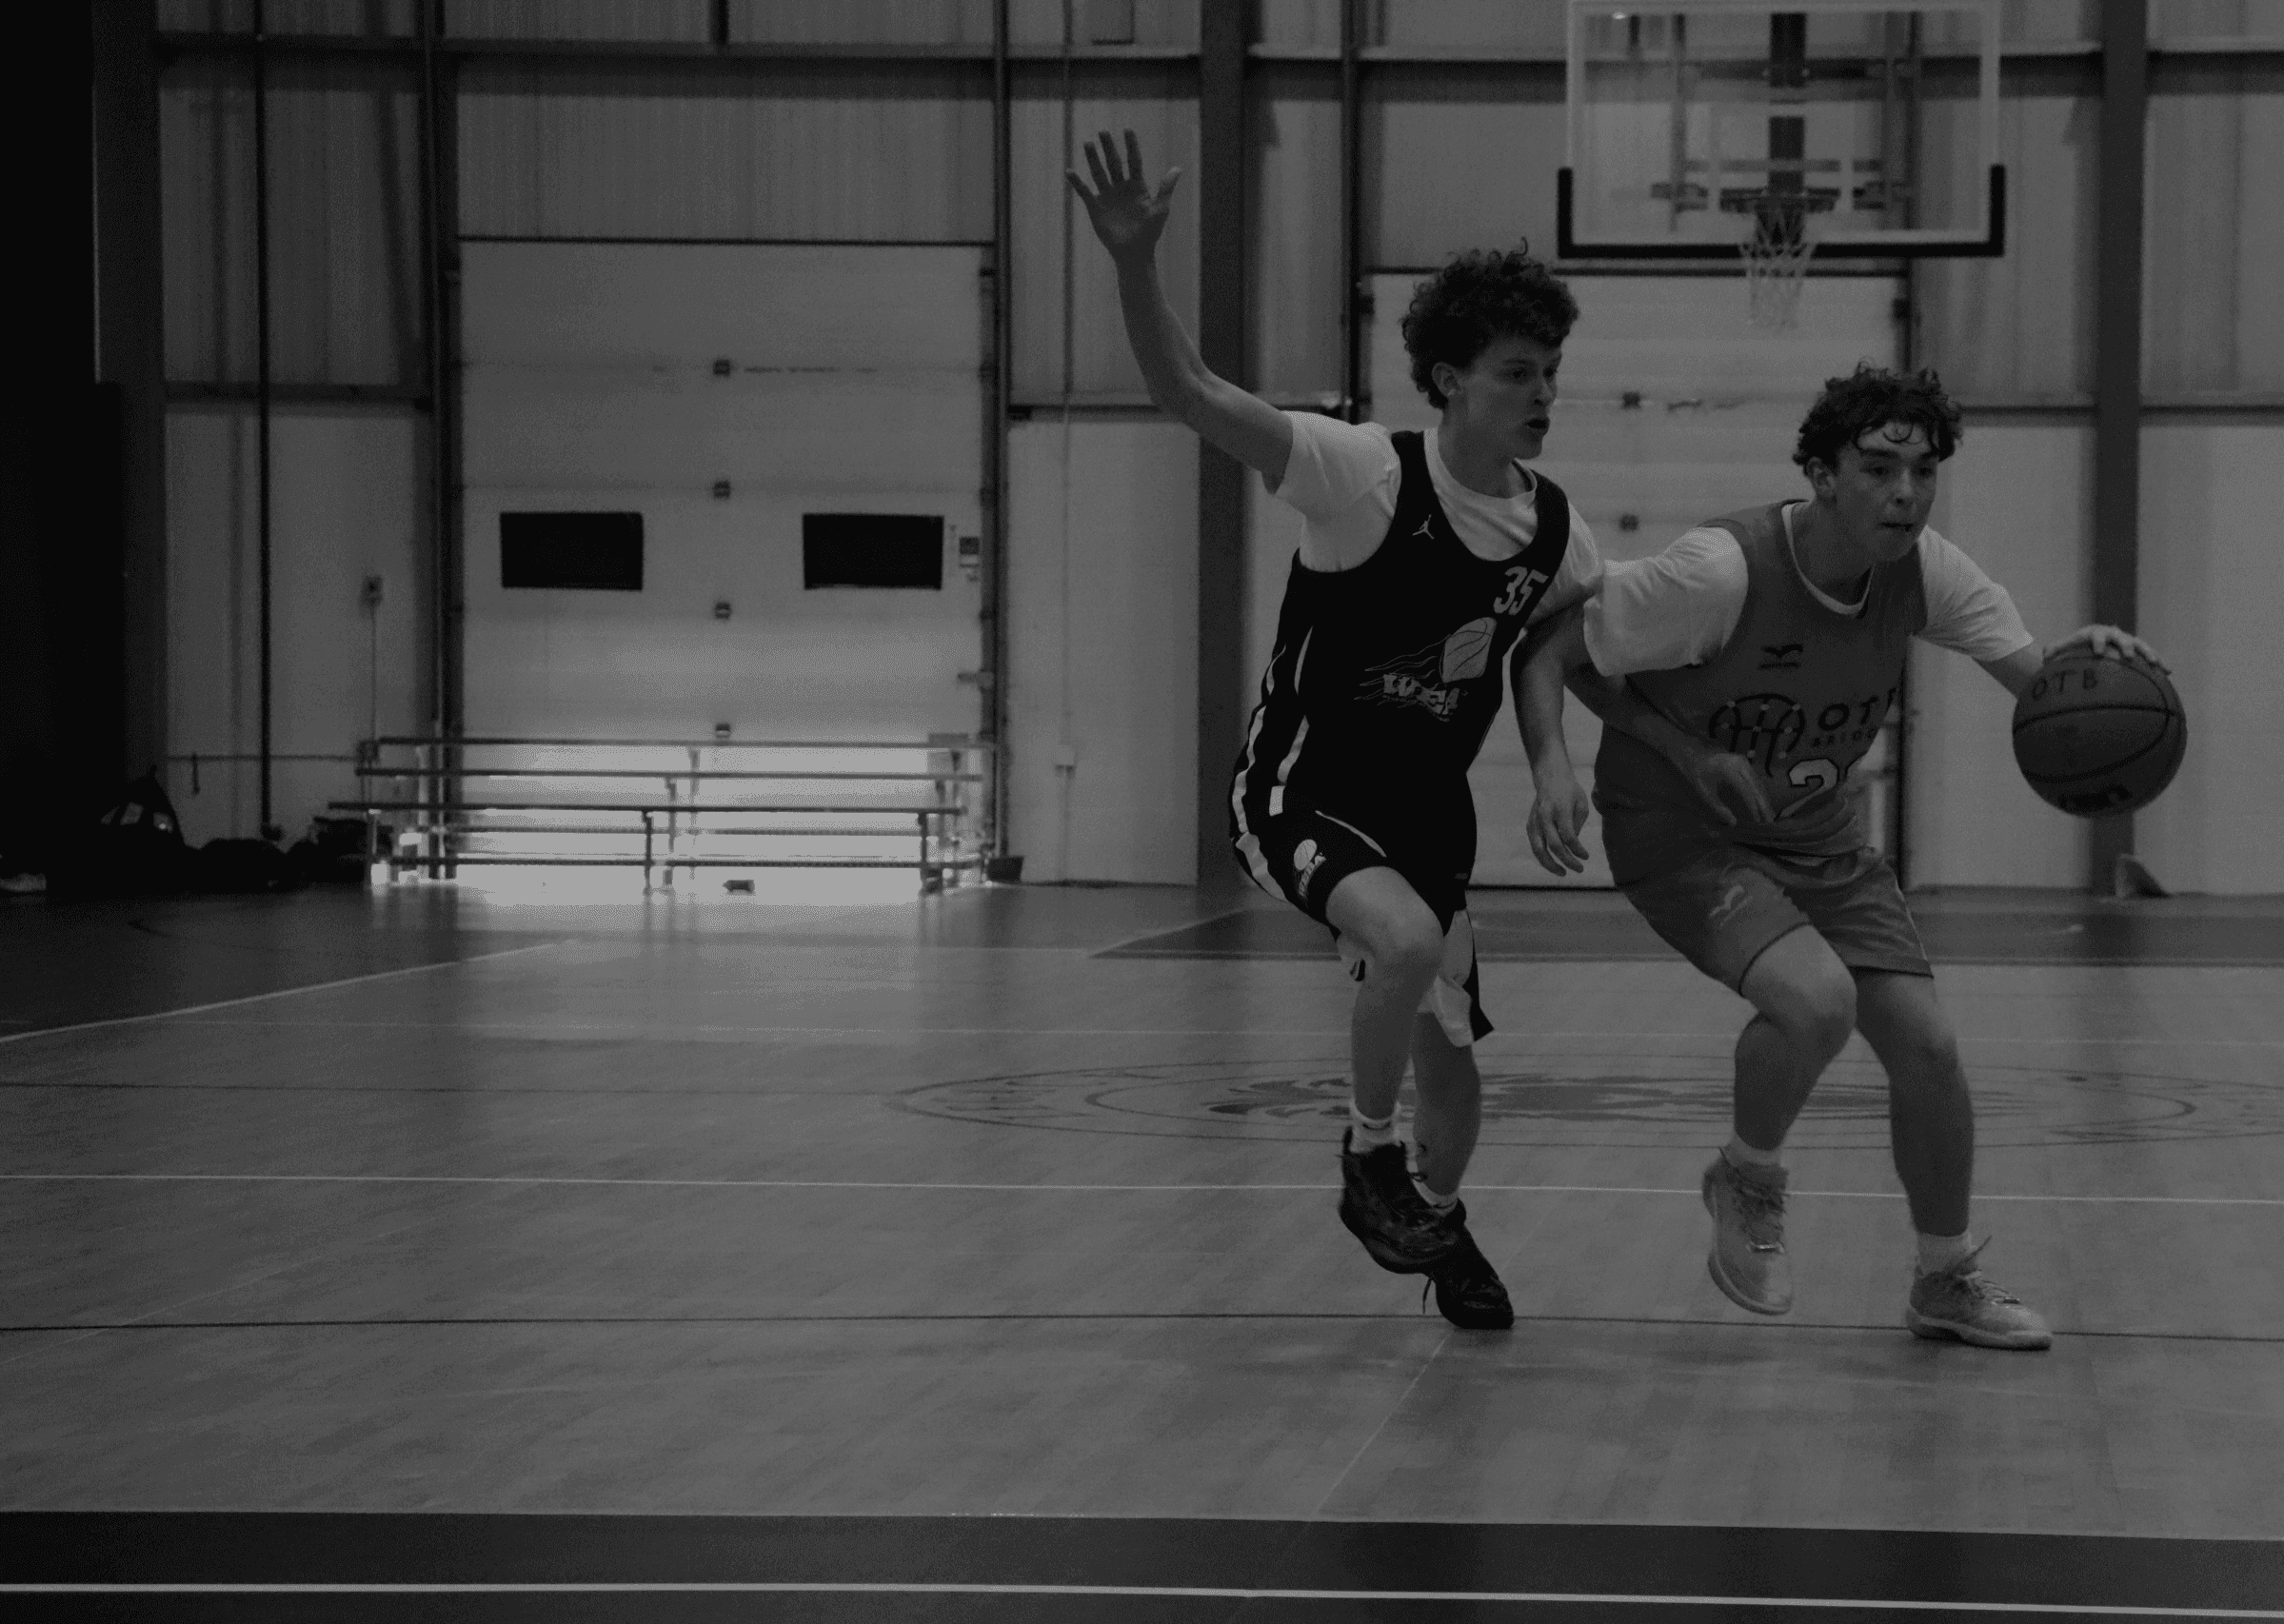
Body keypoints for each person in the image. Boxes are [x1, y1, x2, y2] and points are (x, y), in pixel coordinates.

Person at [1515, 364, 2164, 1350]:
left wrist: (2094, 660)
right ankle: (1746, 1175)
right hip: (1681, 828)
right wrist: (1586, 763)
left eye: (1921, 471)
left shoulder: (1925, 570)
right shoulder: (1716, 571)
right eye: (1876, 469)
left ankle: (1942, 1276)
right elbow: (1553, 649)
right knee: (1815, 1000)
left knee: (1928, 1048)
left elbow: (2045, 690)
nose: (1904, 493)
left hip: (1815, 836)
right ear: (1820, 474)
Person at [1068, 132, 1602, 1329]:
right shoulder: (1358, 472)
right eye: (1517, 372)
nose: (1541, 394)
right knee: (1402, 943)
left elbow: (1555, 654)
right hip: (1299, 791)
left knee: (1456, 1067)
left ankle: (1435, 1219)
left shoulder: (1557, 532)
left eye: (1550, 372)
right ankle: (1366, 1160)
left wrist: (1559, 762)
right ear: (1450, 379)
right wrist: (1132, 263)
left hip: (1426, 812)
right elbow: (1188, 392)